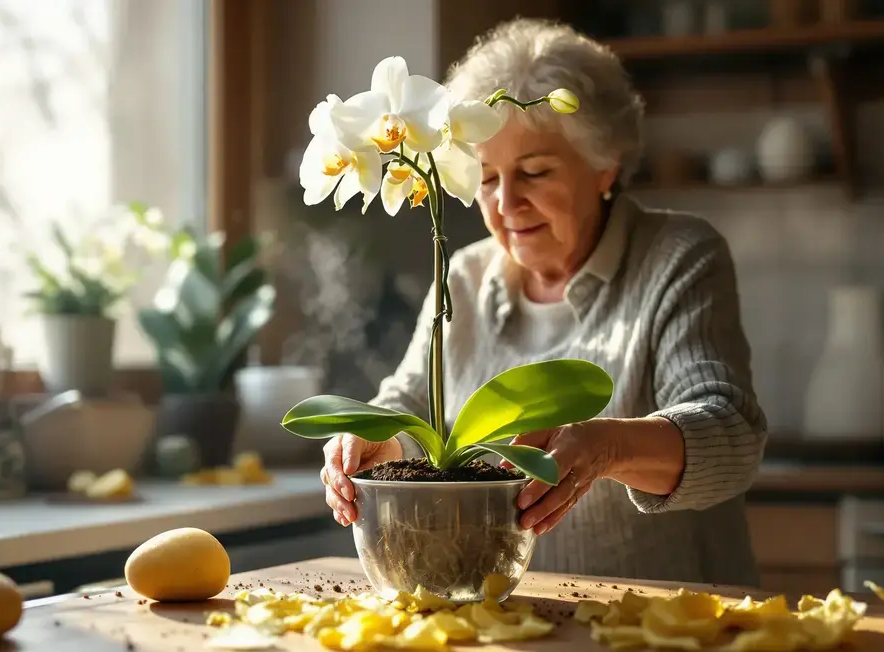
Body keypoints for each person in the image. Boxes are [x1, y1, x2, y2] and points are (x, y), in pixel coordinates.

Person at [318, 18, 768, 587]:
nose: (506, 202)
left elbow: (730, 435)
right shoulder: (465, 276)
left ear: (605, 165)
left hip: (666, 626)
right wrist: (372, 438)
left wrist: (607, 447)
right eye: (485, 179)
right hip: (504, 628)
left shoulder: (678, 257)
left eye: (534, 172)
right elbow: (408, 405)